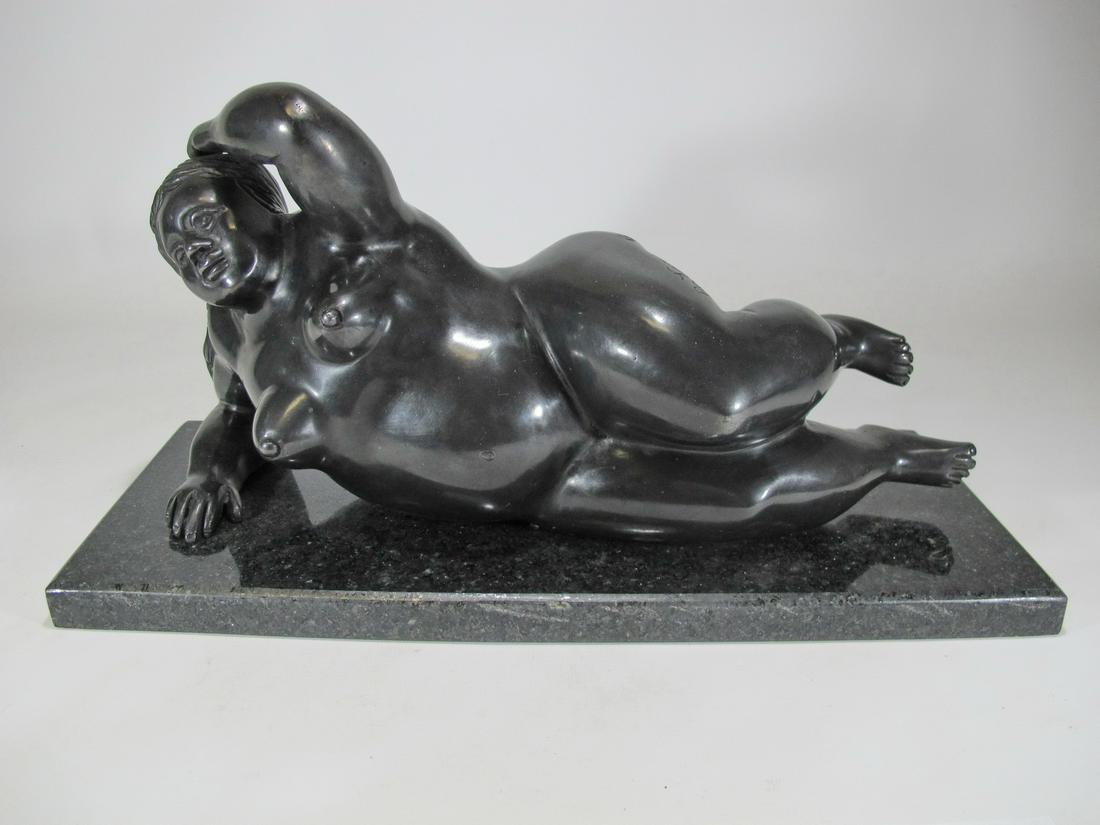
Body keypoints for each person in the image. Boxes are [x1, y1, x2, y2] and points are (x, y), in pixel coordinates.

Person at [153, 83, 975, 545]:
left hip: (559, 328)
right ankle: (886, 454)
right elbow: (232, 419)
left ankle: (836, 339)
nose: (191, 253)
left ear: (255, 198)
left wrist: (215, 135)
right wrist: (210, 472)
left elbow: (289, 119)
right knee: (737, 502)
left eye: (199, 221)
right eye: (172, 247)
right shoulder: (229, 336)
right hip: (545, 485)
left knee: (726, 401)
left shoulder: (347, 231)